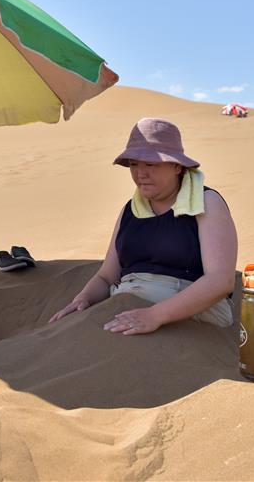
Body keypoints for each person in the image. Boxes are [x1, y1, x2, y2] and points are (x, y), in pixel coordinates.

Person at [49, 118, 237, 334]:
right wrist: (83, 299)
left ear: (176, 166)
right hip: (127, 304)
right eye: (134, 164)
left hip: (190, 316)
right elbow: (106, 277)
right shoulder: (130, 210)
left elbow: (220, 280)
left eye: (151, 164)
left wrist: (155, 315)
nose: (140, 174)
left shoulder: (206, 202)